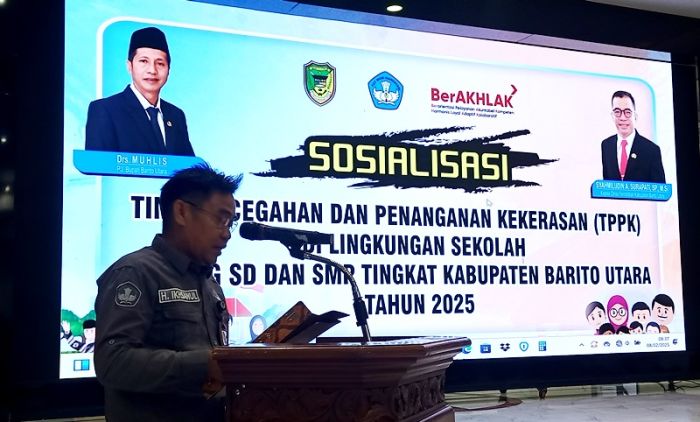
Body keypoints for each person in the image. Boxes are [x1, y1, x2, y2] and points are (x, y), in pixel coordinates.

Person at [94, 163, 242, 421]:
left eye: (231, 222)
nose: (227, 234)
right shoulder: (135, 272)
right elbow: (112, 362)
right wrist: (205, 364)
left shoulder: (210, 285)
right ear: (182, 212)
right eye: (221, 219)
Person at [85, 27, 195, 156]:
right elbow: (98, 164)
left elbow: (190, 166)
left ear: (168, 70)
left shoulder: (176, 115)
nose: (152, 70)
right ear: (129, 66)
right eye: (144, 61)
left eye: (160, 63)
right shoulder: (104, 110)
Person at [600, 91, 665, 183]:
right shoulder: (606, 145)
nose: (622, 118)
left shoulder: (651, 150)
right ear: (612, 115)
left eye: (627, 112)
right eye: (617, 112)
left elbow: (659, 189)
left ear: (635, 116)